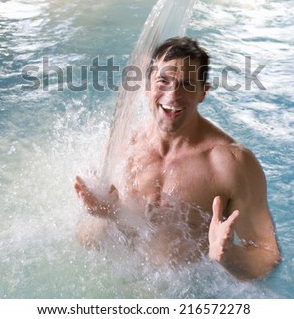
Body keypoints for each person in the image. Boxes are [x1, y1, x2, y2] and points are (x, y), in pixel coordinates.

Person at [75, 36, 280, 280]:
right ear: (147, 86)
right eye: (163, 81)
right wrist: (106, 215)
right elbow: (89, 242)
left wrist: (228, 255)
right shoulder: (123, 145)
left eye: (187, 85)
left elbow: (268, 256)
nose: (173, 96)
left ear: (204, 92)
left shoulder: (231, 164)